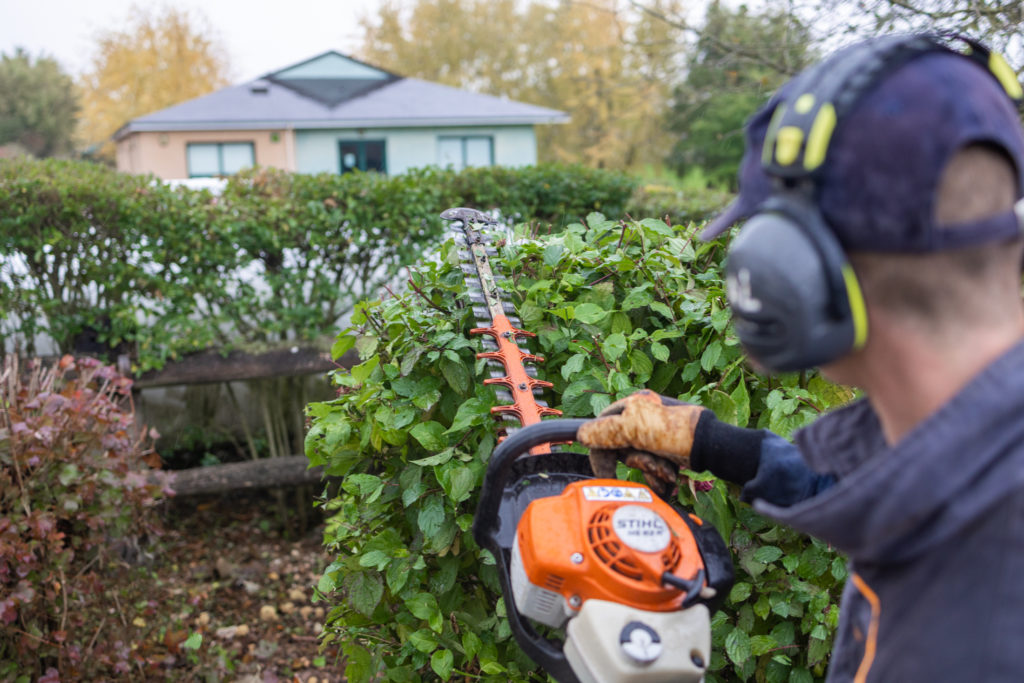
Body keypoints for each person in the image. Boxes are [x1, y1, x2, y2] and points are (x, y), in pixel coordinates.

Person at [577, 33, 1024, 681]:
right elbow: (883, 477)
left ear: (794, 274)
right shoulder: (974, 455)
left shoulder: (958, 639)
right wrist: (712, 441)